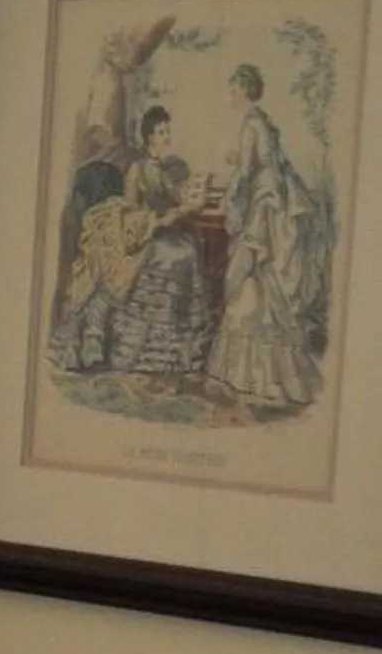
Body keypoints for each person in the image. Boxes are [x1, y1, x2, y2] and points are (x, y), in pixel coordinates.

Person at [49, 106, 213, 381]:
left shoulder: (160, 168)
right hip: (141, 235)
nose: (166, 137)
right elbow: (131, 213)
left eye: (167, 131)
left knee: (189, 248)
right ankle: (135, 347)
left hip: (160, 231)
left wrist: (189, 200)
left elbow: (176, 197)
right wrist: (164, 217)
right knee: (176, 253)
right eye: (161, 132)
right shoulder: (138, 169)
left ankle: (178, 347)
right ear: (149, 137)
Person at [208, 62, 326, 412]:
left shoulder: (251, 123)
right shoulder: (266, 123)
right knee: (263, 286)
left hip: (261, 209)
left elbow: (247, 172)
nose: (230, 96)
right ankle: (268, 376)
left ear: (244, 90)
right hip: (272, 206)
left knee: (250, 280)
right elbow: (272, 165)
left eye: (233, 90)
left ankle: (250, 377)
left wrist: (230, 199)